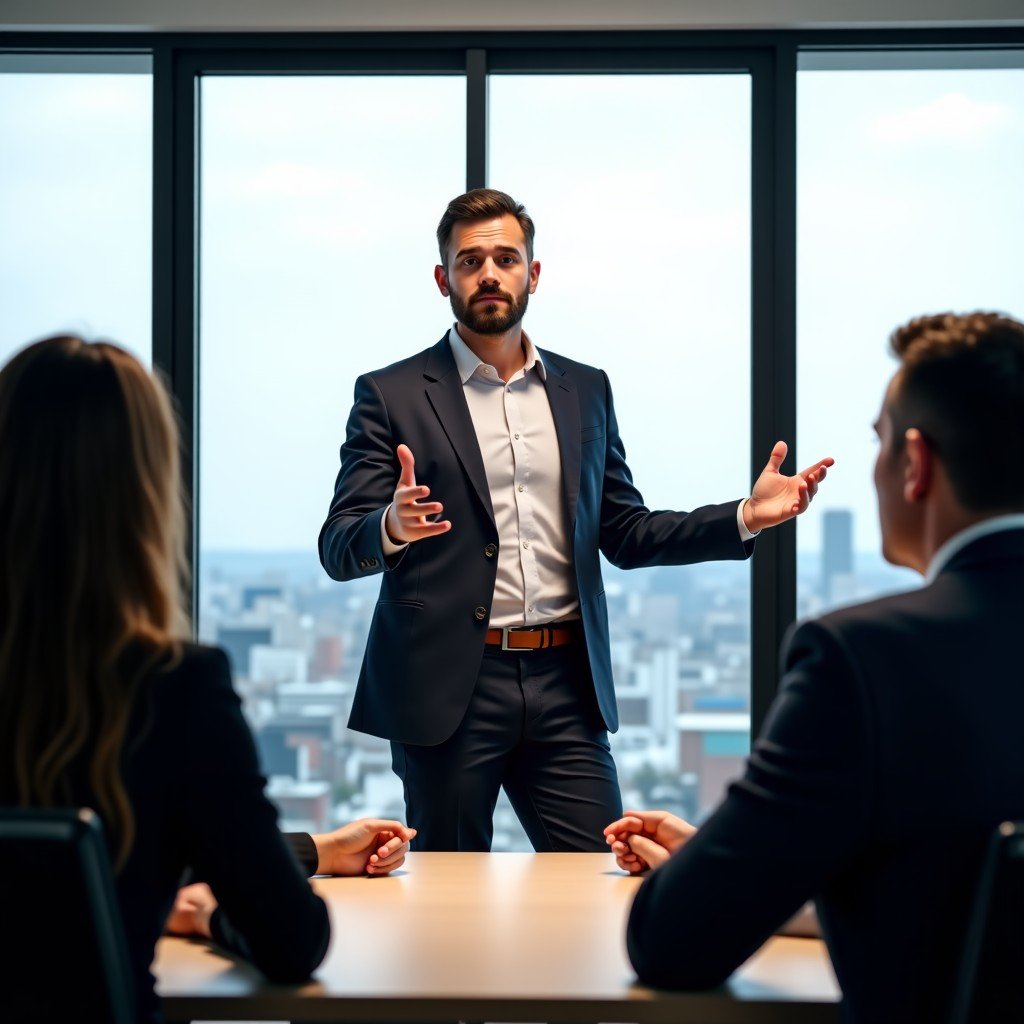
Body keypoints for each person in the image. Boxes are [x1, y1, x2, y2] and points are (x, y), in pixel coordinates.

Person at [319, 187, 832, 852]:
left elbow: (625, 531)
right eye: (470, 262)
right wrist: (390, 525)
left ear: (533, 274)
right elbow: (339, 544)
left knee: (602, 873)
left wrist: (744, 516)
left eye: (506, 258)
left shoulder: (585, 390)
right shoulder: (389, 394)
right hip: (447, 688)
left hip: (567, 683)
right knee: (445, 895)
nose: (489, 274)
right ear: (444, 279)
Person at [605, 311, 1024, 1023]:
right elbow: (956, 896)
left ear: (915, 464)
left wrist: (722, 872)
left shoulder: (865, 659)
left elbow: (671, 942)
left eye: (880, 443)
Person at [0, 335, 415, 1023]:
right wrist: (208, 914)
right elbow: (292, 941)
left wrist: (312, 850)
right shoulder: (171, 689)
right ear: (143, 493)